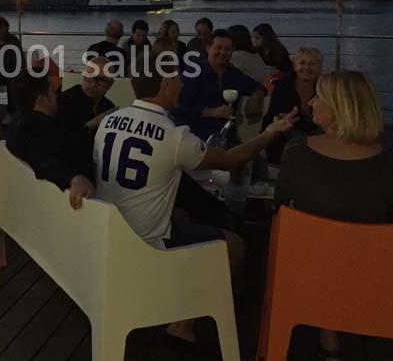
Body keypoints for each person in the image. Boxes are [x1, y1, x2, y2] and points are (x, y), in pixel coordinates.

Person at [94, 52, 297, 345]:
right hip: (145, 242)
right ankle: (182, 324)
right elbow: (229, 160)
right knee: (234, 246)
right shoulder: (173, 135)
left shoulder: (110, 120)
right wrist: (269, 133)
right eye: (178, 78)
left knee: (183, 215)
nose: (182, 84)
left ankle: (188, 292)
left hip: (112, 232)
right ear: (165, 82)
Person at [275, 70, 393, 360]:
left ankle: (326, 333)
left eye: (319, 96)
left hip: (303, 273)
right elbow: (389, 220)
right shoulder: (389, 162)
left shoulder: (298, 152)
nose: (311, 102)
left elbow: (279, 208)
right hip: (369, 276)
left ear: (339, 106)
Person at [7, 68, 96, 210]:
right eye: (53, 92)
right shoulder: (34, 127)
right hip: (71, 204)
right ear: (42, 100)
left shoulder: (17, 122)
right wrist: (73, 178)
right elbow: (42, 159)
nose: (57, 96)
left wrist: (87, 126)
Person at [174, 29, 266, 141]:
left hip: (226, 138)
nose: (223, 52)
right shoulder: (193, 73)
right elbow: (177, 107)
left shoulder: (234, 74)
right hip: (196, 138)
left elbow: (258, 87)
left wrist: (257, 97)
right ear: (208, 48)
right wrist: (212, 112)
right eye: (218, 47)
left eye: (227, 49)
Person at [262, 46, 324, 165]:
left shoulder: (326, 90)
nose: (307, 67)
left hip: (318, 141)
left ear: (320, 68)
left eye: (312, 64)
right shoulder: (283, 87)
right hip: (287, 142)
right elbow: (269, 120)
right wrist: (279, 121)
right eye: (302, 63)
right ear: (295, 66)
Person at [55, 57, 117, 134]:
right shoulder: (63, 102)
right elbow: (57, 138)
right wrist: (88, 126)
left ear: (110, 84)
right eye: (90, 76)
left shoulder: (108, 107)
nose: (94, 84)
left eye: (101, 80)